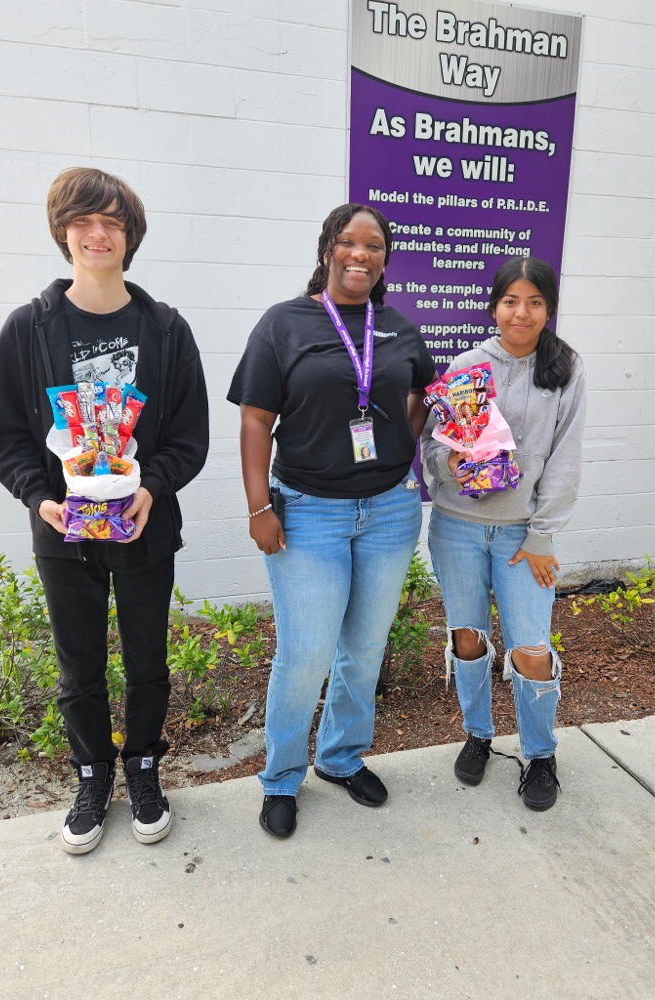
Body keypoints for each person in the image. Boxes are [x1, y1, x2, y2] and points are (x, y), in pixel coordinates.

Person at [0, 167, 209, 853]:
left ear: (129, 235)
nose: (97, 232)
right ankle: (91, 775)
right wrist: (40, 499)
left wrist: (151, 490)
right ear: (64, 232)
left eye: (112, 221)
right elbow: (6, 439)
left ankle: (143, 767)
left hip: (143, 525)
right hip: (64, 531)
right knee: (78, 666)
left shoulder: (166, 330)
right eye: (83, 220)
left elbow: (189, 438)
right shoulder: (28, 330)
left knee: (147, 661)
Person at [227, 203, 437, 837]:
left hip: (390, 511)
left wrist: (399, 449)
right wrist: (259, 505)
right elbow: (255, 419)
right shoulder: (284, 324)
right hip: (308, 513)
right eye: (348, 241)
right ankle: (283, 777)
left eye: (373, 245)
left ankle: (341, 757)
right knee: (305, 652)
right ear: (327, 249)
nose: (360, 254)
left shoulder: (398, 327)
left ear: (384, 258)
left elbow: (416, 396)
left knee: (364, 648)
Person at [421, 257, 586, 811]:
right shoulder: (467, 365)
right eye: (511, 301)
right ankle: (479, 734)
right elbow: (430, 446)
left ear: (548, 309)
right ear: (494, 306)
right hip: (457, 528)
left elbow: (565, 459)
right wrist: (454, 466)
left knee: (531, 648)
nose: (522, 312)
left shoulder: (565, 369)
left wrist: (543, 536)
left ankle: (540, 753)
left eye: (535, 302)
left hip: (522, 538)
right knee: (467, 637)